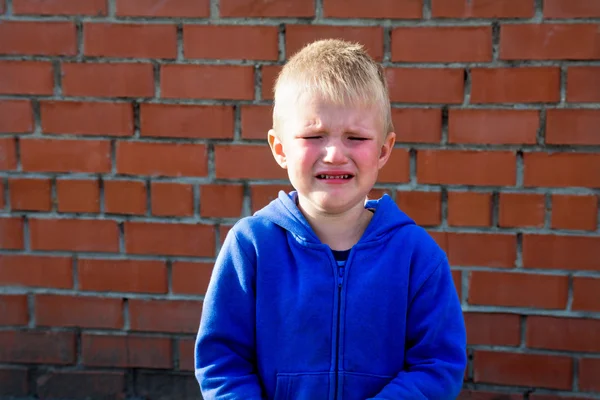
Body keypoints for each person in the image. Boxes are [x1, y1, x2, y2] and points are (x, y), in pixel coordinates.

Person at [195, 39, 467, 399]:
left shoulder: (417, 255)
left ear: (384, 149)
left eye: (355, 137)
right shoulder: (252, 247)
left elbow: (437, 365)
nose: (335, 154)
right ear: (280, 148)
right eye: (313, 136)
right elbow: (222, 361)